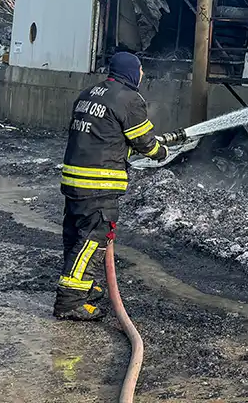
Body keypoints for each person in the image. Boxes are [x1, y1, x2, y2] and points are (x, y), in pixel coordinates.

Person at [53, 51, 170, 321]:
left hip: (74, 179)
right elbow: (145, 142)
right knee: (92, 240)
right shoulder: (129, 99)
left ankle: (83, 286)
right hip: (99, 184)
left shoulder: (88, 94)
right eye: (140, 70)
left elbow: (106, 135)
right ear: (131, 71)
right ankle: (70, 301)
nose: (142, 75)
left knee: (75, 237)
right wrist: (161, 152)